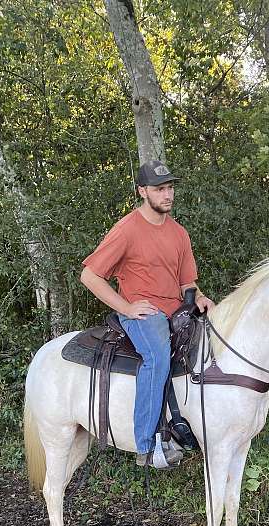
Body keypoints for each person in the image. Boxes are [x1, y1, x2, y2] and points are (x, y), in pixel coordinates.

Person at [80, 159, 214, 468]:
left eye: (170, 188)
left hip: (176, 311)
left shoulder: (179, 233)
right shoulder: (127, 229)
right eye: (159, 189)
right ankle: (147, 443)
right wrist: (126, 307)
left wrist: (201, 298)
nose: (167, 195)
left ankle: (186, 426)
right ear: (143, 191)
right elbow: (89, 276)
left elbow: (186, 282)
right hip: (143, 313)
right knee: (157, 355)